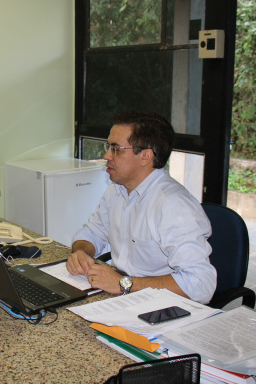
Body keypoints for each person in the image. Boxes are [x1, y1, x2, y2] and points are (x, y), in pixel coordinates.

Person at [66, 110, 216, 304]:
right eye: (108, 146)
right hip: (124, 295)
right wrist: (81, 253)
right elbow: (92, 233)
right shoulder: (117, 190)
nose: (106, 155)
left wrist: (123, 284)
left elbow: (201, 284)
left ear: (145, 156)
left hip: (162, 305)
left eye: (116, 149)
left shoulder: (174, 206)